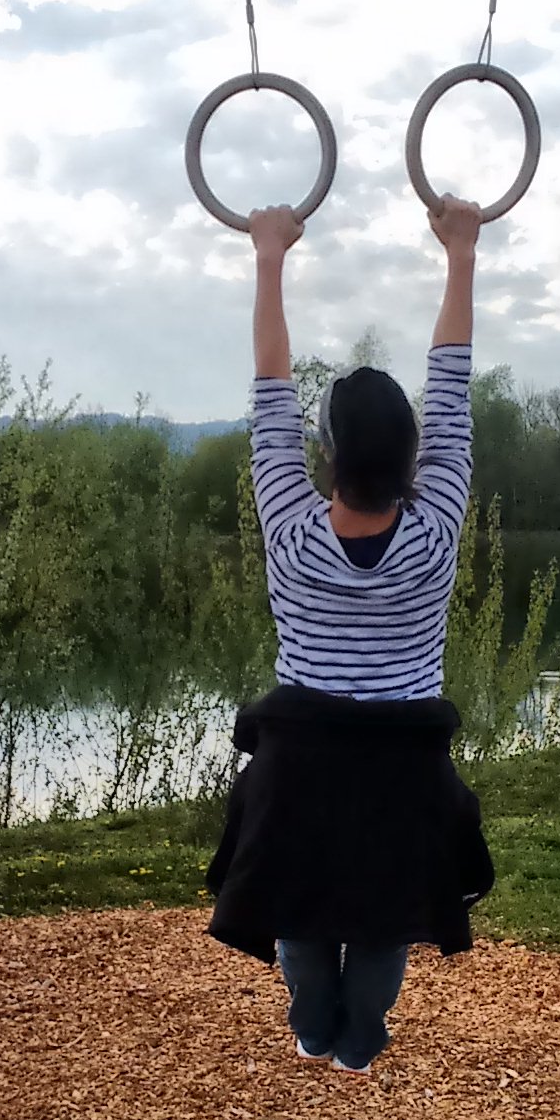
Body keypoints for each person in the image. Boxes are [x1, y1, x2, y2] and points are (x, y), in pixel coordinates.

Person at [204, 192, 495, 1068]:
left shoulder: (292, 531)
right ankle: (360, 1034)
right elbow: (452, 385)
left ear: (326, 456)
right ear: (414, 459)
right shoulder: (437, 527)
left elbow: (268, 391)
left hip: (303, 768)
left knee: (297, 907)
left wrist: (268, 254)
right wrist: (461, 252)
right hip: (401, 770)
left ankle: (310, 1022)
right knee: (385, 919)